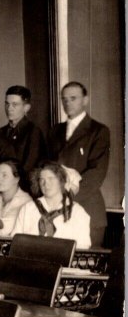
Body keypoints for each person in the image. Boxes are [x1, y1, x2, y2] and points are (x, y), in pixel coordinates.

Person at [48, 82, 110, 247]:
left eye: (73, 98)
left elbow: (97, 172)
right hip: (57, 210)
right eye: (64, 99)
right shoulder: (55, 131)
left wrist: (68, 197)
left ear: (85, 100)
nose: (67, 103)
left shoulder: (98, 131)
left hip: (88, 207)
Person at [13, 161, 91, 249]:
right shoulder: (28, 208)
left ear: (62, 182)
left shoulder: (78, 212)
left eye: (51, 178)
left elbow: (82, 247)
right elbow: (16, 242)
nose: (45, 184)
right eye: (41, 179)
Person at [0, 85, 48, 189]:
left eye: (15, 104)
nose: (9, 108)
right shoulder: (0, 132)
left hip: (22, 189)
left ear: (26, 108)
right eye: (7, 104)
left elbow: (29, 167)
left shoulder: (33, 132)